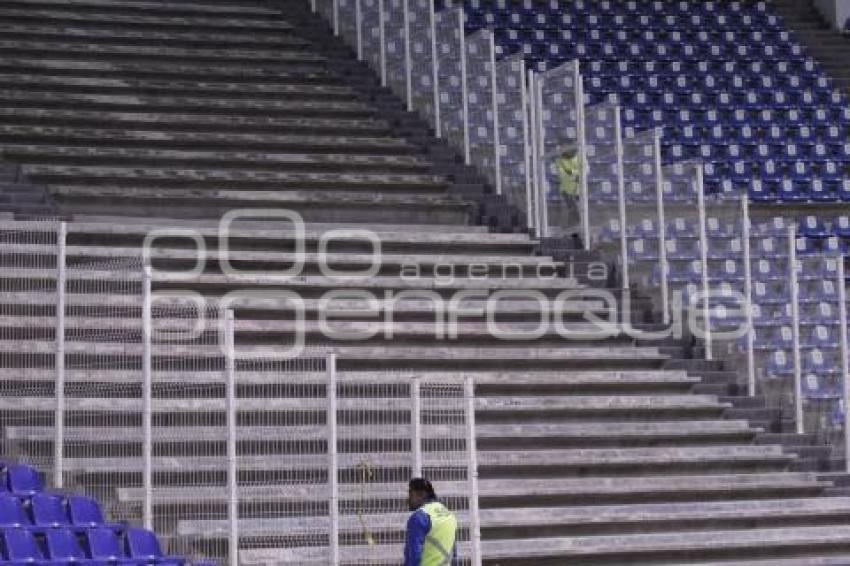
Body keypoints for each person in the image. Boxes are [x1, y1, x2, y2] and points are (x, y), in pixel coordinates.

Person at [403, 478, 458, 566]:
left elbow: (413, 556)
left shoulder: (419, 517)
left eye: (410, 494)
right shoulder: (449, 515)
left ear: (420, 494)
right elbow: (454, 553)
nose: (408, 499)